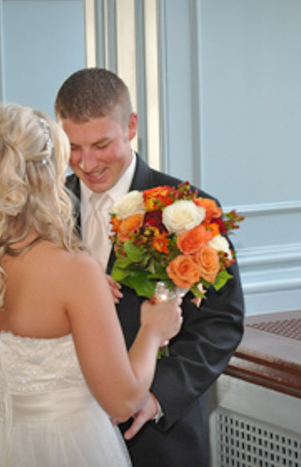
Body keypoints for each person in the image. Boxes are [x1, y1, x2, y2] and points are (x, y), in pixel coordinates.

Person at [0, 103, 183, 467]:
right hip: (67, 443)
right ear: (44, 174)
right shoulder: (76, 272)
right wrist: (152, 329)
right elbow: (123, 401)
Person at [57, 68, 243, 467]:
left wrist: (157, 396)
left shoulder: (190, 211)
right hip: (63, 429)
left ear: (132, 126)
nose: (86, 163)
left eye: (101, 144)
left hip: (157, 438)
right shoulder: (44, 212)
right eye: (73, 147)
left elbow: (221, 324)